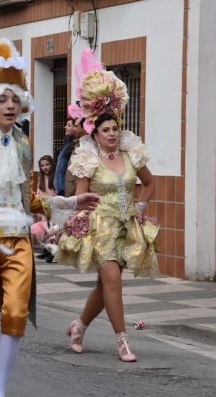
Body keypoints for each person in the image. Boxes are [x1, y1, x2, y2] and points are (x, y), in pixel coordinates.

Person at [0, 38, 98, 397]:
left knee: (14, 316)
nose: (10, 106)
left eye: (15, 99)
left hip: (18, 241)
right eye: (2, 99)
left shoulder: (24, 144)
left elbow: (29, 199)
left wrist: (71, 202)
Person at [57, 49, 159, 362]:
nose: (112, 134)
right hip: (100, 228)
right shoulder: (89, 158)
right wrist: (76, 224)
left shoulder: (131, 155)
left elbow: (151, 183)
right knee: (112, 281)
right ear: (97, 135)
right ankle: (123, 341)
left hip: (127, 226)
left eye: (115, 129)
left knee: (106, 288)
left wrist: (141, 207)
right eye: (106, 131)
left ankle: (79, 325)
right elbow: (82, 197)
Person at [64, 117, 86, 197]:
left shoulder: (87, 148)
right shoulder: (76, 144)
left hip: (77, 194)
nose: (73, 129)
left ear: (84, 128)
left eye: (76, 126)